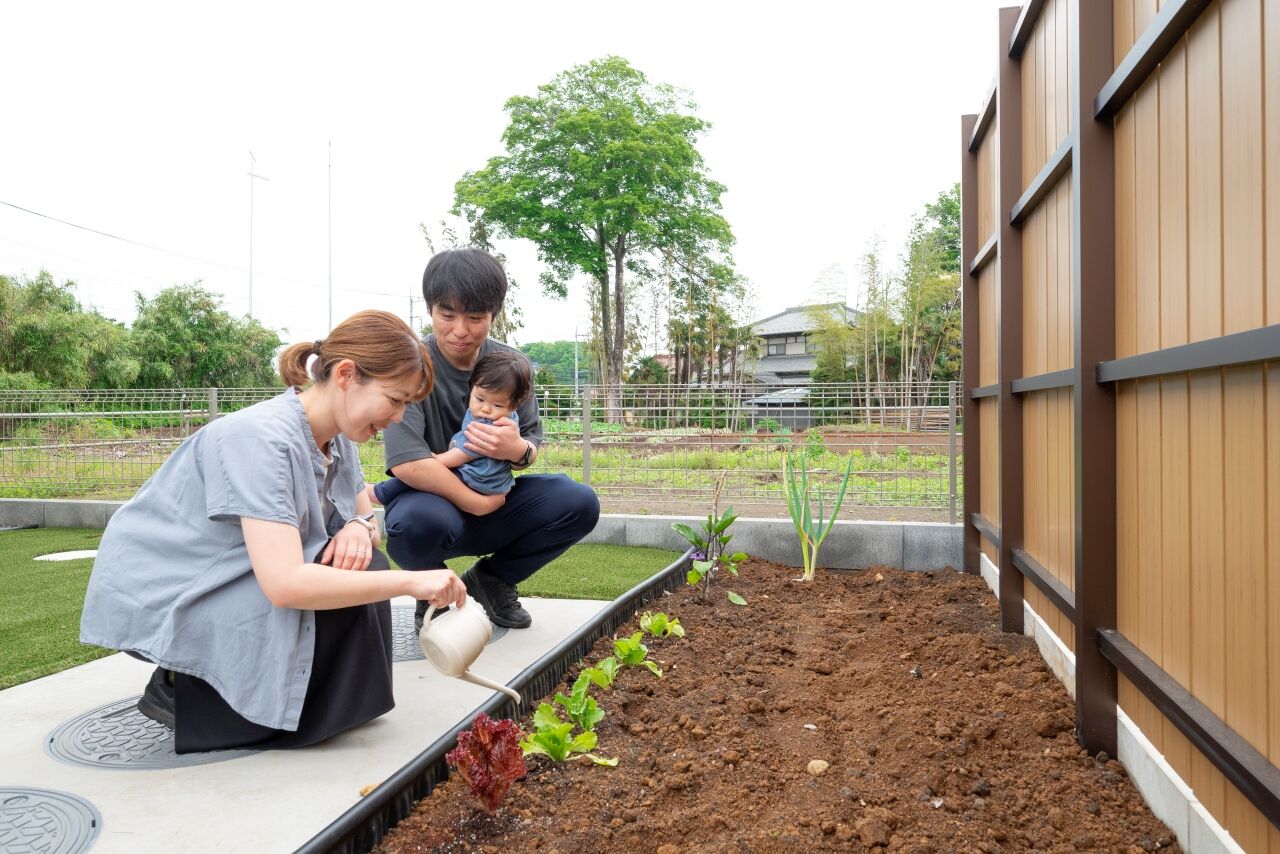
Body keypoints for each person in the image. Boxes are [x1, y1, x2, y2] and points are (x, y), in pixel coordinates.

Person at [80, 310, 468, 753]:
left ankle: (294, 698)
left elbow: (366, 518)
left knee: (361, 561)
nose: (398, 417)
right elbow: (285, 584)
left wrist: (359, 528)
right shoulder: (260, 439)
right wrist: (412, 582)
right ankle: (181, 684)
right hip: (174, 587)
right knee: (350, 578)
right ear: (346, 375)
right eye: (394, 399)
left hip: (238, 570)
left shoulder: (338, 436)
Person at [380, 248, 600, 632]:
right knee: (413, 523)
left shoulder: (513, 366)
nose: (460, 330)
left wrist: (516, 450)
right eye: (447, 315)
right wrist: (477, 503)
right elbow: (408, 463)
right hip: (437, 506)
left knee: (579, 502)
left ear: (493, 315)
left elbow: (530, 443)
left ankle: (492, 580)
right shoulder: (408, 366)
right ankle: (433, 592)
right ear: (429, 310)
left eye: (475, 317)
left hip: (496, 495)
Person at [370, 349, 532, 500]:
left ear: (513, 406)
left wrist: (439, 460)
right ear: (471, 388)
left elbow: (466, 451)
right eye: (480, 399)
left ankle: (379, 493)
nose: (485, 409)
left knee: (428, 476)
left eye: (497, 405)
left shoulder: (490, 425)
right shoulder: (504, 415)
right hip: (492, 481)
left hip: (478, 478)